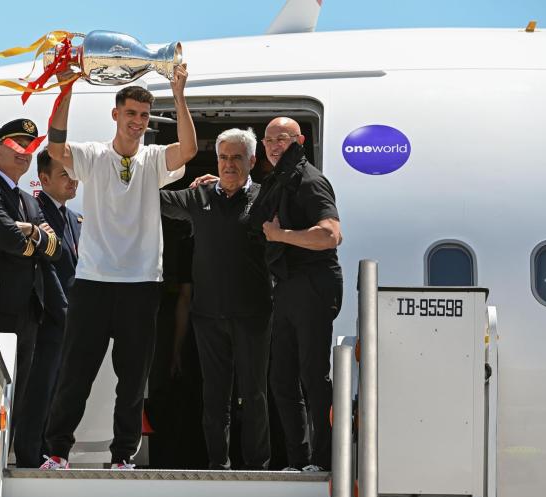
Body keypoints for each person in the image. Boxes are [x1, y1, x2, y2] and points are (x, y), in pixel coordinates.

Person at [40, 64, 197, 470]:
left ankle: (122, 456)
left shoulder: (154, 158)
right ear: (116, 114)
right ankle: (56, 452)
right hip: (93, 282)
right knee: (76, 374)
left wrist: (179, 96)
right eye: (130, 113)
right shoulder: (93, 155)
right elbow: (56, 150)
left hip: (141, 284)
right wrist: (65, 91)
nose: (137, 121)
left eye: (144, 115)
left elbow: (188, 150)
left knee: (132, 380)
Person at [160, 128, 272, 470]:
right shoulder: (200, 196)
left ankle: (257, 469)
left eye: (236, 157)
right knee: (215, 396)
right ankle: (217, 466)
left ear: (252, 161)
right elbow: (154, 200)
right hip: (207, 316)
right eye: (223, 157)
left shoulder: (267, 198)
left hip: (253, 316)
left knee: (254, 395)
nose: (229, 164)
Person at [0, 118, 62, 464]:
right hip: (0, 309)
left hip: (29, 310)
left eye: (30, 146)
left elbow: (55, 249)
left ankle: (5, 459)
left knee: (18, 392)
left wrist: (31, 232)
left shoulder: (28, 201)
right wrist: (35, 240)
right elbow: (10, 242)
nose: (25, 152)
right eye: (17, 145)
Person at [249, 117, 343, 472]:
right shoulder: (279, 180)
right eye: (269, 140)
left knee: (313, 375)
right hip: (288, 285)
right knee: (281, 379)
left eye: (282, 139)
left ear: (299, 141)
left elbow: (330, 235)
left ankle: (324, 459)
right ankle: (299, 459)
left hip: (313, 284)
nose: (274, 146)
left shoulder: (309, 180)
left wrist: (280, 236)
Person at [13, 148, 81, 467]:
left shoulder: (73, 218)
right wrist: (66, 312)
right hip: (47, 320)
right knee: (39, 390)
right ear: (44, 178)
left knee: (57, 392)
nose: (73, 180)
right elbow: (46, 268)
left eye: (74, 174)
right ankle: (30, 455)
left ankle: (47, 453)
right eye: (65, 174)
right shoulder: (34, 212)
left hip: (69, 320)